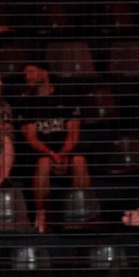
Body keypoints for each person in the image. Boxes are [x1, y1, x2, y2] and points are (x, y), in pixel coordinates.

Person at [18, 64, 88, 233]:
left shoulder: (67, 97)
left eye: (31, 72)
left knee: (79, 161)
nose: (27, 77)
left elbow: (73, 133)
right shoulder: (25, 102)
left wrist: (62, 154)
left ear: (45, 73)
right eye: (25, 73)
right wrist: (51, 154)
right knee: (43, 162)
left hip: (65, 151)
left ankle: (80, 211)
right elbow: (31, 137)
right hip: (41, 154)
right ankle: (41, 215)